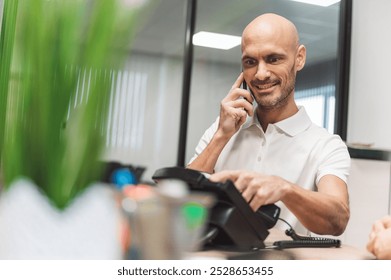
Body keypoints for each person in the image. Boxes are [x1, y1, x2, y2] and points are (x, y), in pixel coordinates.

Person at [187, 13, 350, 236]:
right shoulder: (221, 129)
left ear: (299, 58)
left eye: (274, 59)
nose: (261, 74)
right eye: (250, 62)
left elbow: (338, 218)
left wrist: (285, 189)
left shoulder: (326, 146)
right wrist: (221, 137)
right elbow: (180, 202)